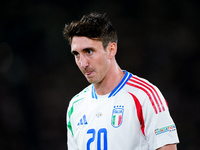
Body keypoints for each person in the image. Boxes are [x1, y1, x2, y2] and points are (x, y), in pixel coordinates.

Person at [63, 12, 179, 150]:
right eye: (76, 54)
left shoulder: (145, 96)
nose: (83, 63)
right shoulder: (75, 106)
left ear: (111, 49)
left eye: (89, 51)